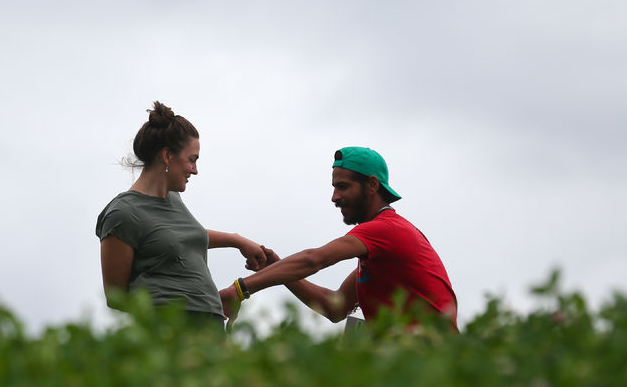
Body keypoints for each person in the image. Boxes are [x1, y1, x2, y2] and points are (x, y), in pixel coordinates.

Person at [220, 146, 457, 330]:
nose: (334, 197)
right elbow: (336, 306)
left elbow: (314, 260)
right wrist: (277, 267)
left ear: (372, 185)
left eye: (343, 187)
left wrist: (240, 289)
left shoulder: (386, 229)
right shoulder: (379, 255)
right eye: (334, 187)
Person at [96, 101, 267, 324]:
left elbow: (181, 235)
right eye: (192, 160)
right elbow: (116, 298)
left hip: (210, 328)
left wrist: (237, 241)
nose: (195, 170)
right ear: (167, 156)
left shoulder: (173, 198)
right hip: (170, 332)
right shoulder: (122, 214)